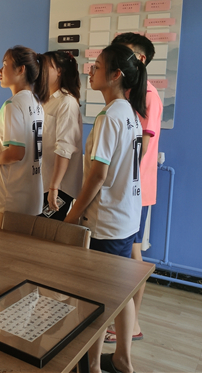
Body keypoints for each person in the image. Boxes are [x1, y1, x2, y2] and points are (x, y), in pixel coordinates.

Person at [64, 44, 147, 373]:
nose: (90, 71)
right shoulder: (129, 113)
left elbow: (98, 176)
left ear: (116, 75)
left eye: (97, 66)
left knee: (95, 298)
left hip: (106, 222)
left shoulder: (110, 116)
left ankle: (94, 366)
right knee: (120, 292)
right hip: (125, 218)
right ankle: (122, 359)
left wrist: (72, 216)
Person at [105, 32, 162, 344]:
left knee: (132, 257)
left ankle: (132, 323)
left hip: (134, 190)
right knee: (129, 256)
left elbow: (141, 146)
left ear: (138, 59)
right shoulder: (128, 94)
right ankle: (127, 323)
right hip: (125, 189)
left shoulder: (148, 95)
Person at [0, 45, 47, 223]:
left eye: (5, 65)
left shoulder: (13, 104)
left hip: (12, 199)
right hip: (32, 197)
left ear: (21, 70)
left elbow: (15, 153)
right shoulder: (37, 103)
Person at [38, 51, 83, 221]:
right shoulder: (47, 100)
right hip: (45, 182)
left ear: (59, 71)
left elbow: (65, 147)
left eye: (45, 66)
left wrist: (54, 186)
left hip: (58, 186)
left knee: (46, 231)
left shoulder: (67, 102)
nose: (40, 70)